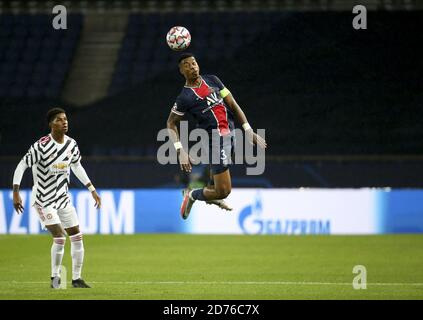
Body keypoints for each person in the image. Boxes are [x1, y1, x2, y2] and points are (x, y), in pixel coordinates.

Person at [166, 53, 267, 219]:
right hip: (214, 141)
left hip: (231, 135)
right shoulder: (184, 98)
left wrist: (248, 129)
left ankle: (212, 196)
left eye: (194, 62)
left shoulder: (213, 80)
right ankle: (192, 195)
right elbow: (170, 123)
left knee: (217, 190)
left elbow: (233, 105)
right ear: (181, 71)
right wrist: (180, 151)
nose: (192, 66)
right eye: (187, 65)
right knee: (224, 191)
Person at [12, 108, 101, 289]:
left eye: (66, 119)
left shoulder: (71, 144)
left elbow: (77, 166)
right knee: (60, 236)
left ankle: (77, 279)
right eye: (60, 120)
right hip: (43, 199)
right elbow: (22, 166)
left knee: (77, 235)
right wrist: (16, 192)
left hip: (63, 198)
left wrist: (91, 189)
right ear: (51, 124)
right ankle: (55, 279)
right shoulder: (41, 146)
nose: (65, 122)